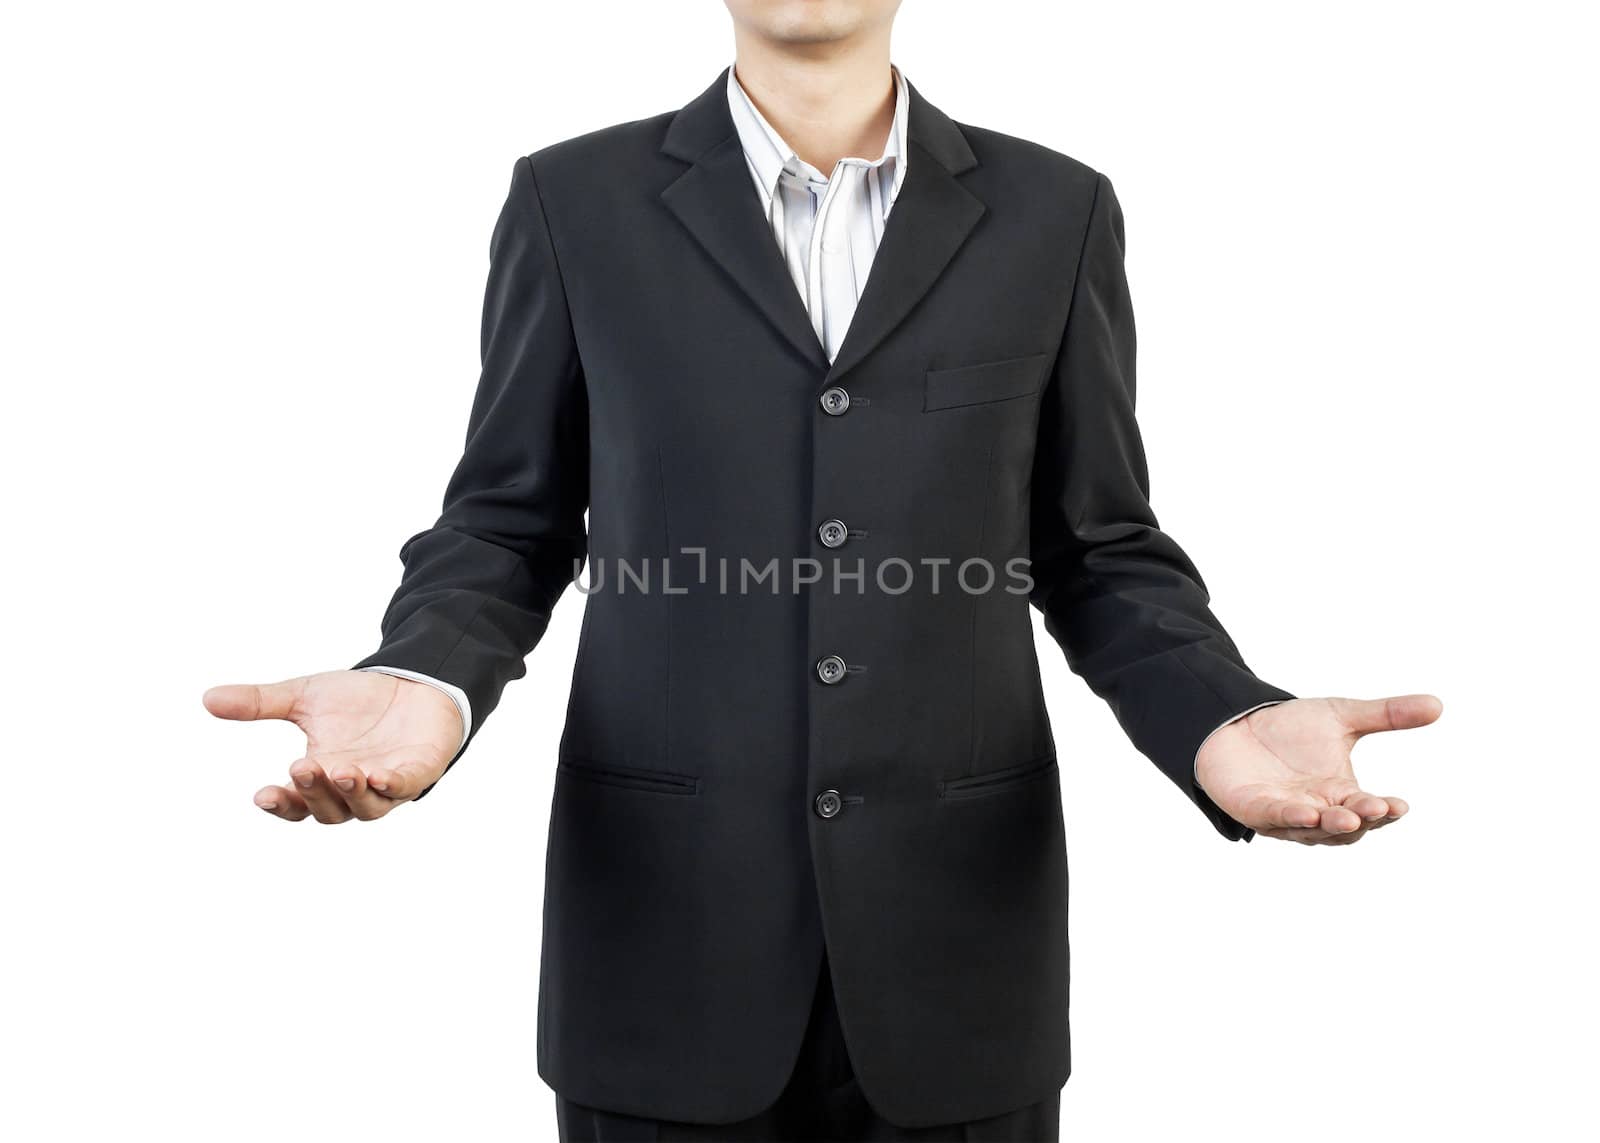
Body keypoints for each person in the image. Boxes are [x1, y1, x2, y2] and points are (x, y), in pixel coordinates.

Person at [204, 2, 1442, 1139]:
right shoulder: (571, 200)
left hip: (960, 962)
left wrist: (1220, 715)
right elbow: (506, 526)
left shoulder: (1054, 210)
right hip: (659, 947)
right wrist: (423, 673)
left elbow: (1096, 547)